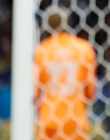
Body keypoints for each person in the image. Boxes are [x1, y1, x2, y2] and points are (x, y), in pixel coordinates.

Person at [34, 8, 97, 140]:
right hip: (76, 120)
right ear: (68, 23)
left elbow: (36, 92)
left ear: (46, 25)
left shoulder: (42, 50)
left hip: (49, 120)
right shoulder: (84, 48)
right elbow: (91, 91)